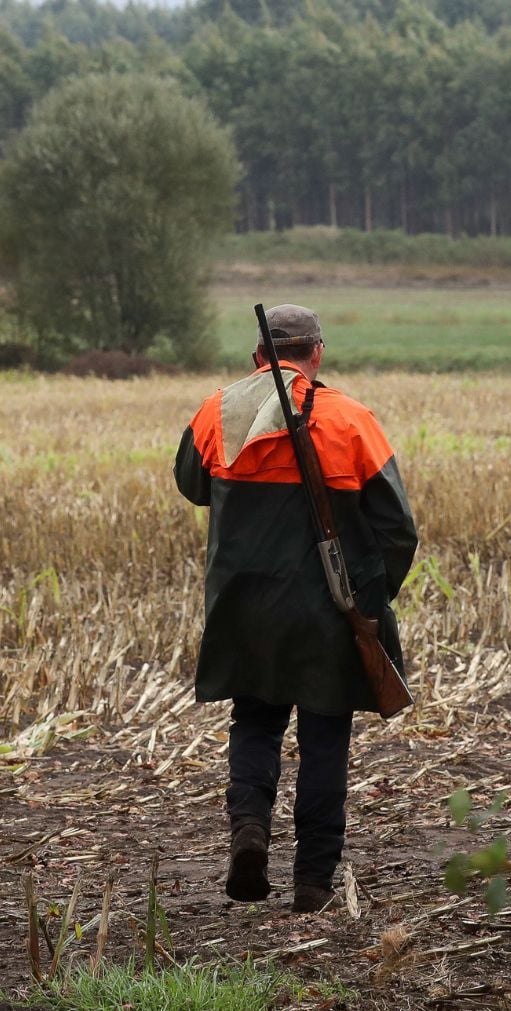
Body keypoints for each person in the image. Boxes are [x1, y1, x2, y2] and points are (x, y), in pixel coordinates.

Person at [172, 303, 418, 914]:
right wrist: (367, 596)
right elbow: (398, 531)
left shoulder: (217, 411)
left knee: (255, 720)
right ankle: (312, 880)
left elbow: (192, 485)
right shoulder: (353, 420)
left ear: (258, 355)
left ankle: (250, 829)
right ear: (318, 352)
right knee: (326, 734)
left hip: (243, 606)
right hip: (330, 612)